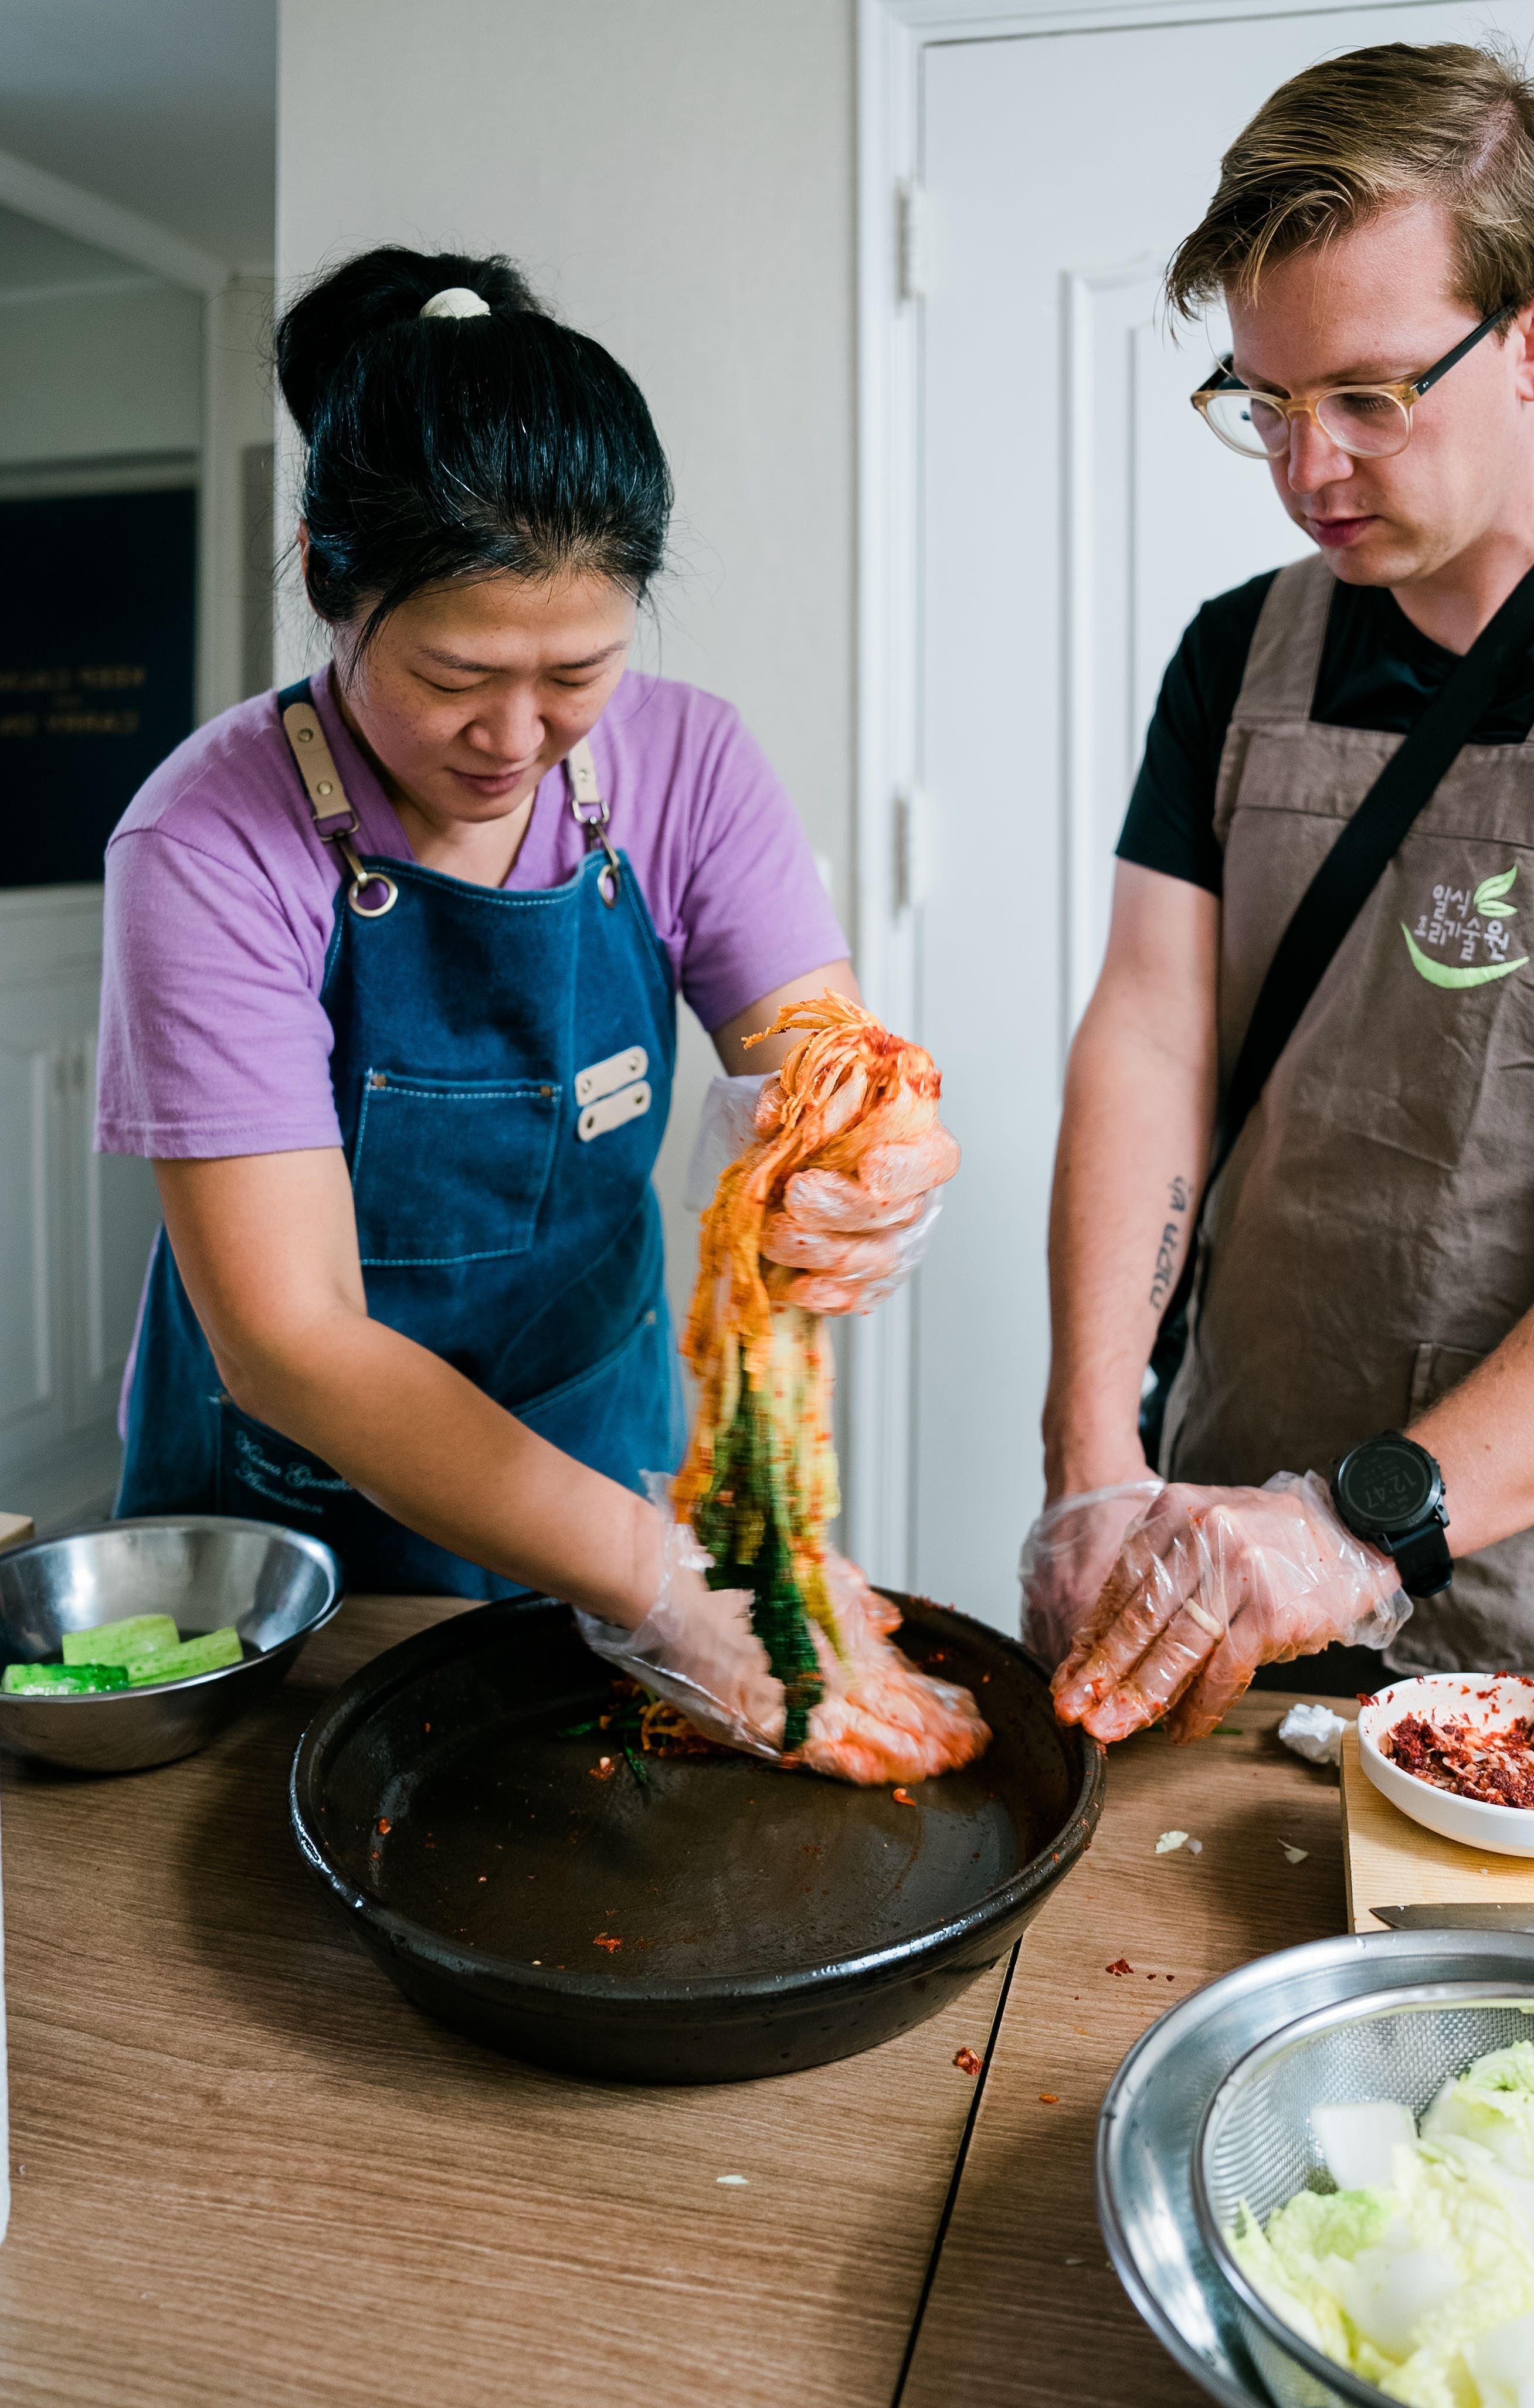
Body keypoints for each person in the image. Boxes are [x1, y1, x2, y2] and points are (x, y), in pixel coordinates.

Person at [97, 247, 946, 1753]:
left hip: (595, 1429)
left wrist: (864, 1152)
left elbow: (820, 1055)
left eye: (579, 671)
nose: (514, 736)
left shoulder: (689, 763)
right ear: (325, 581)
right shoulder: (208, 843)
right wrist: (661, 1580)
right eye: (455, 673)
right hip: (305, 1513)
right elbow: (290, 1338)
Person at [1026, 40, 1534, 1734]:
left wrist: (1365, 1526)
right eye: (1266, 400)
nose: (1311, 469)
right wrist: (1095, 1446)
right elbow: (1152, 1035)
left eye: (1372, 395)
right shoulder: (1238, 657)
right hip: (1220, 1542)